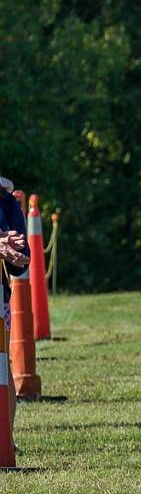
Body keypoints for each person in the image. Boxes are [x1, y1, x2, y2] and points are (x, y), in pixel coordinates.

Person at [0, 183, 29, 444]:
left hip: (1, 297)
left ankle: (5, 440)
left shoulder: (7, 203)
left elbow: (23, 260)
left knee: (1, 362)